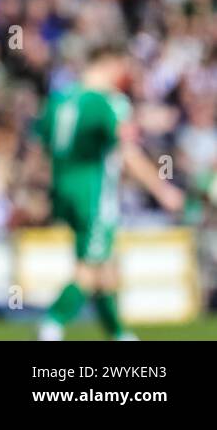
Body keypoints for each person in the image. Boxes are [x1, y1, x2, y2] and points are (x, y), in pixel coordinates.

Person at [33, 45, 186, 341]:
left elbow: (42, 149)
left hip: (62, 188)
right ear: (111, 63)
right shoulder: (110, 102)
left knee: (105, 264)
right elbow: (128, 153)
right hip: (94, 191)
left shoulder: (59, 100)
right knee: (89, 267)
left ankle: (118, 333)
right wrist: (162, 189)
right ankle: (52, 323)